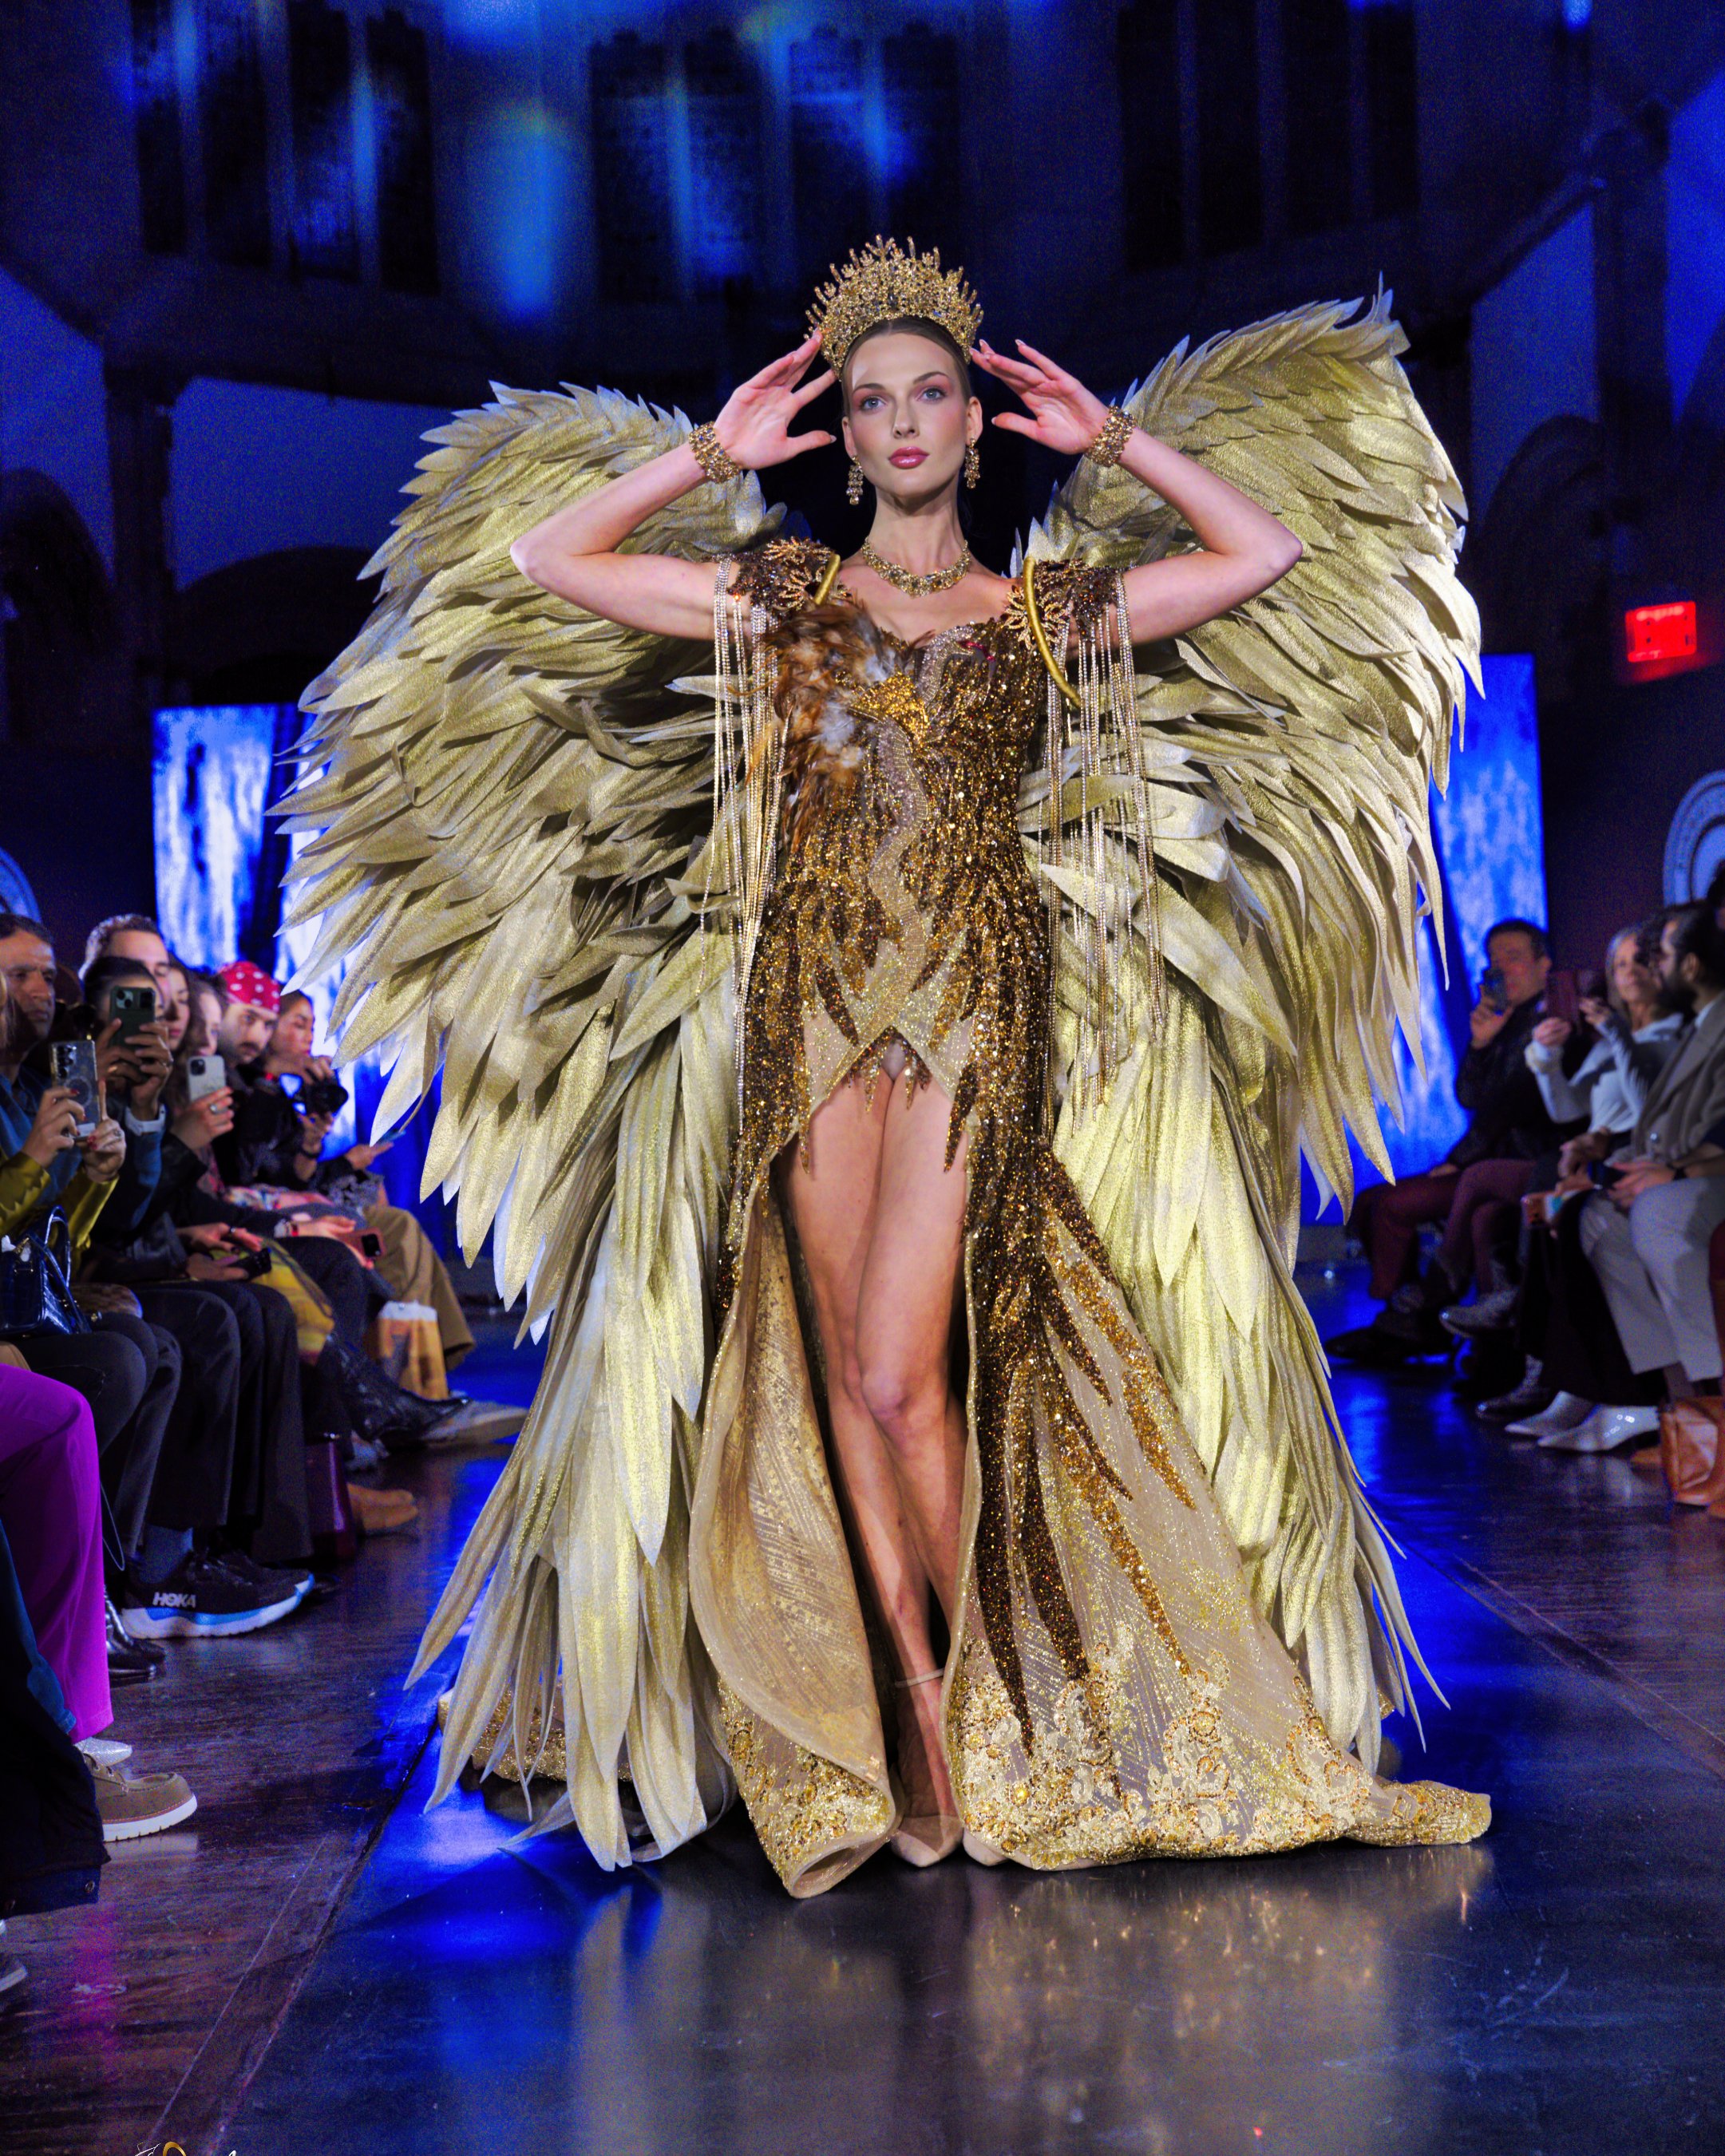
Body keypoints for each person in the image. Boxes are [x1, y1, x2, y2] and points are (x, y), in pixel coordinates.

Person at [299, 239, 1488, 1892]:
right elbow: (541, 550)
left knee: (892, 1372)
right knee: (829, 1364)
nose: (907, 420)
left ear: (970, 429)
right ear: (842, 440)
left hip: (966, 1008)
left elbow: (1264, 549)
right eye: (874, 401)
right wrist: (710, 458)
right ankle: (915, 1713)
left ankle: (980, 1713)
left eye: (933, 393)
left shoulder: (1037, 611)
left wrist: (1116, 443)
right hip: (809, 1009)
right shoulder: (787, 601)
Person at [1329, 919, 1574, 1365]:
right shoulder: (1507, 1022)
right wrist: (1480, 1045)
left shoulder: (1551, 1022)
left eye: (1514, 958)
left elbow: (1510, 1105)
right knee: (1370, 1202)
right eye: (1494, 961)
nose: (1501, 970)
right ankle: (1403, 1317)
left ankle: (1416, 1316)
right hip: (1487, 1159)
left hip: (1522, 1160)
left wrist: (1460, 1159)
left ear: (1544, 964)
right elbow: (1470, 1096)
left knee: (1393, 1205)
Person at [1549, 904, 1725, 1453]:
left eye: (1661, 955)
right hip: (1684, 1165)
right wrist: (1614, 1160)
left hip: (1707, 1174)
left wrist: (1671, 1169)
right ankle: (1679, 1409)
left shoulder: (1697, 1025)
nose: (1650, 966)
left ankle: (1713, 1405)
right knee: (1598, 1216)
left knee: (1656, 1211)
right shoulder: (1702, 1022)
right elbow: (1648, 1121)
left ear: (1691, 965)